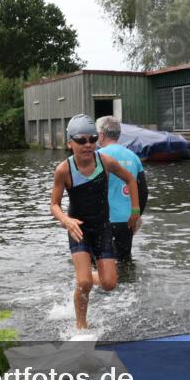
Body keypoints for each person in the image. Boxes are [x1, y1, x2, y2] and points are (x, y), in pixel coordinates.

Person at [50, 114, 140, 330]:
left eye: (91, 139)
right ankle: (81, 325)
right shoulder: (64, 170)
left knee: (109, 284)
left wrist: (135, 210)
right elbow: (54, 204)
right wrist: (65, 220)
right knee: (83, 284)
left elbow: (130, 178)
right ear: (70, 142)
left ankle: (87, 277)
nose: (87, 145)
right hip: (78, 229)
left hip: (102, 228)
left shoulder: (105, 161)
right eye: (81, 141)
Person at [95, 116, 149, 262]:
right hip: (127, 220)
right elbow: (143, 191)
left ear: (101, 135)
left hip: (103, 221)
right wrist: (136, 215)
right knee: (125, 261)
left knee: (102, 262)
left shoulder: (97, 157)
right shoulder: (133, 157)